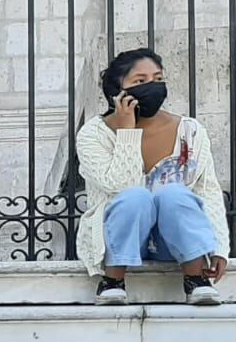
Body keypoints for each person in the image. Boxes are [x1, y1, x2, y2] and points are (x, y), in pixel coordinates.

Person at [76, 48, 228, 305]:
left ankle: (195, 279)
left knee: (175, 193)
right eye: (140, 81)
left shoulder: (189, 131)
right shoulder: (93, 134)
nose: (152, 87)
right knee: (134, 196)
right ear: (118, 90)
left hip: (175, 240)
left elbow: (207, 190)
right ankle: (113, 280)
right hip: (121, 238)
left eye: (158, 79)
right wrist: (127, 132)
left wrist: (219, 247)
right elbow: (119, 186)